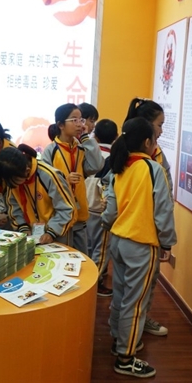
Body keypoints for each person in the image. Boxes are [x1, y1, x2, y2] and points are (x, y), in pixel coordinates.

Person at [102, 118, 177, 378]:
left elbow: (110, 211)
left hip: (118, 241)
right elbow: (163, 212)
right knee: (135, 303)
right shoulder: (152, 169)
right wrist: (167, 241)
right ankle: (126, 357)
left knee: (121, 296)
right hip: (141, 245)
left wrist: (110, 226)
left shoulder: (119, 167)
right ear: (147, 142)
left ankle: (118, 340)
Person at [124, 97, 173, 337]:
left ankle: (132, 325)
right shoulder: (127, 153)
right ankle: (128, 341)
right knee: (136, 289)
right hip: (140, 233)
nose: (161, 131)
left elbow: (166, 195)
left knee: (137, 287)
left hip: (138, 231)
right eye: (159, 125)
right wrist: (167, 240)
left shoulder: (157, 154)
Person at [41, 103, 104, 254]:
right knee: (61, 258)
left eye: (81, 120)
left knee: (81, 258)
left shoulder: (81, 148)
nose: (80, 124)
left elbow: (96, 166)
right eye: (74, 120)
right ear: (61, 125)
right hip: (59, 218)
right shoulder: (51, 151)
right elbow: (43, 185)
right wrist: (64, 180)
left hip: (80, 216)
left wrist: (86, 138)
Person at [0, 144, 77, 244]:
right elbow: (14, 205)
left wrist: (51, 233)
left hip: (56, 233)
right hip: (32, 235)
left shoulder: (49, 175)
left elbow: (67, 209)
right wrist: (22, 226)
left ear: (27, 171)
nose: (12, 185)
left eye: (16, 181)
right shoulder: (13, 179)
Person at [85, 118, 118, 296]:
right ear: (116, 137)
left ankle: (88, 282)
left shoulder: (87, 152)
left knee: (87, 247)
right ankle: (92, 286)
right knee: (101, 249)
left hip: (83, 206)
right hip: (101, 209)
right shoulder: (115, 158)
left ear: (95, 136)